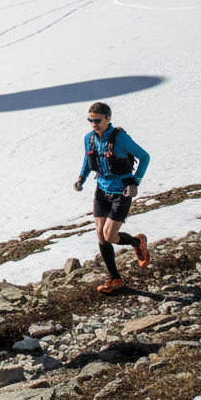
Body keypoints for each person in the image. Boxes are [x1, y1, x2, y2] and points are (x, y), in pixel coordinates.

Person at [75, 102, 151, 293]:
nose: (94, 124)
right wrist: (81, 178)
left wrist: (136, 182)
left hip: (121, 192)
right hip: (101, 189)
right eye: (90, 120)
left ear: (108, 119)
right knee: (101, 235)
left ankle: (137, 242)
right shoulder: (89, 138)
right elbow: (88, 158)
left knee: (109, 235)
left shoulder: (121, 138)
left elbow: (144, 156)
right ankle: (115, 278)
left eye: (97, 120)